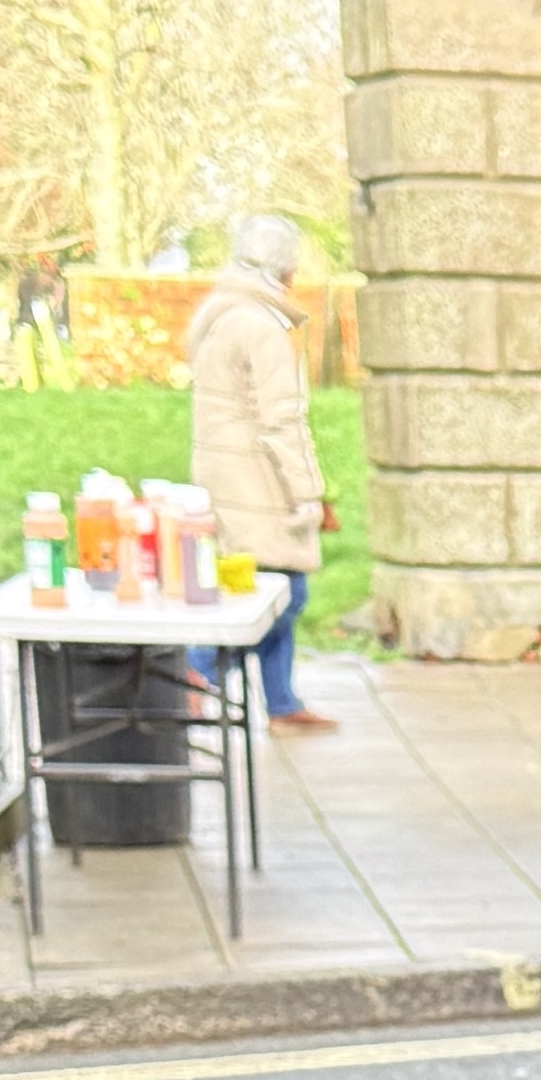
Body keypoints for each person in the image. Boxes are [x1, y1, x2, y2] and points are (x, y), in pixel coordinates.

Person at [185, 215, 335, 732]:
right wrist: (308, 491)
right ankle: (197, 669)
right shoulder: (262, 326)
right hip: (259, 480)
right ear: (283, 267)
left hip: (227, 475)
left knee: (267, 586)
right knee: (280, 594)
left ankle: (282, 703)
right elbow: (282, 419)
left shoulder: (220, 316)